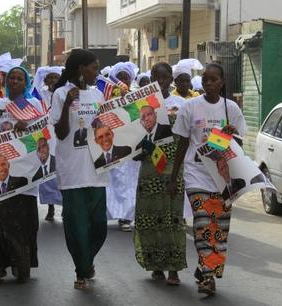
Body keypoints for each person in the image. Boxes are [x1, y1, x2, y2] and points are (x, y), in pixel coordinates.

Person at [169, 63, 247, 295]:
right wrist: (174, 177)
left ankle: (205, 268)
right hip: (196, 175)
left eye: (213, 80)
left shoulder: (231, 108)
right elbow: (182, 143)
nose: (209, 83)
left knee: (219, 228)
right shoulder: (190, 107)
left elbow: (240, 145)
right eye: (205, 79)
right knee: (203, 224)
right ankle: (208, 277)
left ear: (222, 82)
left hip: (222, 176)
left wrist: (232, 135)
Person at [49, 49, 110, 290]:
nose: (97, 72)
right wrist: (67, 104)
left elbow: (107, 127)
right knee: (77, 228)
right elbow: (61, 132)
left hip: (97, 172)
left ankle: (86, 260)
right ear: (80, 69)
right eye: (94, 67)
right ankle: (81, 270)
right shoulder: (61, 93)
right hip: (72, 172)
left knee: (99, 226)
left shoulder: (98, 95)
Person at [0, 66, 42, 286]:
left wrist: (27, 128)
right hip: (3, 173)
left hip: (27, 174)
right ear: (6, 82)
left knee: (26, 221)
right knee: (2, 221)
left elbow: (44, 137)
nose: (15, 82)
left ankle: (23, 262)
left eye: (20, 79)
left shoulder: (35, 105)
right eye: (12, 78)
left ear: (26, 82)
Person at [133, 62, 188, 286]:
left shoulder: (182, 104)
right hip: (149, 169)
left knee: (173, 218)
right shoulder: (140, 105)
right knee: (150, 217)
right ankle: (155, 264)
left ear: (171, 79)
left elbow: (186, 139)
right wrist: (140, 148)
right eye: (156, 76)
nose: (161, 81)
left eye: (165, 77)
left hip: (174, 169)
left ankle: (174, 268)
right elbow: (132, 141)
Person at [105, 62, 141, 232]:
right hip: (113, 145)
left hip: (132, 145)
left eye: (126, 77)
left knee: (131, 181)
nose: (123, 80)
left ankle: (127, 217)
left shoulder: (136, 96)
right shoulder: (105, 96)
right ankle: (117, 213)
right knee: (117, 180)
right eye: (120, 77)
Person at [33, 66, 63, 221]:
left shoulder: (64, 94)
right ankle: (50, 207)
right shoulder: (40, 96)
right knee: (47, 174)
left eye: (55, 77)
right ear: (45, 80)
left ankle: (64, 206)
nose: (52, 81)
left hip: (60, 137)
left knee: (62, 172)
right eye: (49, 78)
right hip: (45, 137)